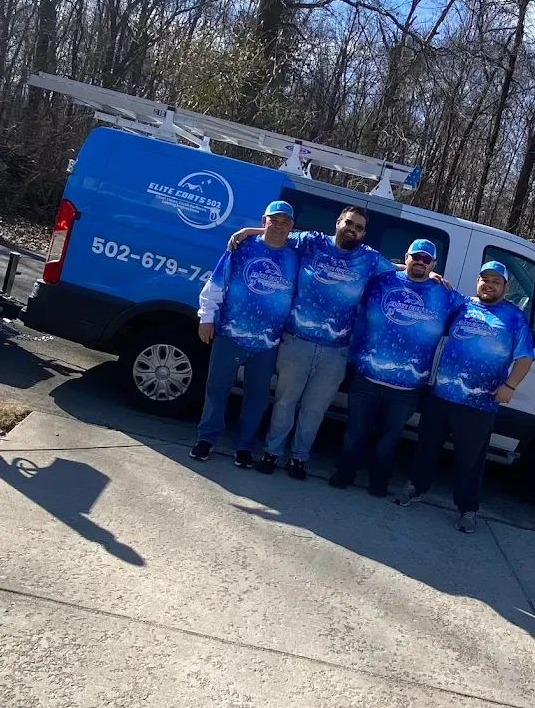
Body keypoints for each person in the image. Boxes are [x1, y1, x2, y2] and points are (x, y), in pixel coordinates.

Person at [228, 206, 397, 480]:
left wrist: (429, 274)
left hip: (336, 351)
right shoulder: (312, 241)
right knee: (284, 402)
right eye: (349, 223)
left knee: (315, 410)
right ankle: (272, 452)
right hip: (297, 342)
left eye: (359, 227)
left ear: (363, 233)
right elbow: (277, 235)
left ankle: (299, 459)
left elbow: (401, 272)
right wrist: (250, 231)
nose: (353, 229)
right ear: (338, 222)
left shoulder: (370, 259)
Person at [396, 260, 535, 532]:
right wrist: (432, 274)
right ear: (478, 281)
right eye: (485, 279)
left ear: (505, 287)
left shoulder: (514, 318)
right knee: (426, 447)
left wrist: (510, 386)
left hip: (479, 405)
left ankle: (467, 509)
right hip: (441, 396)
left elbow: (525, 358)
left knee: (470, 461)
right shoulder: (462, 305)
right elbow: (421, 280)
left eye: (496, 281)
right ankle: (415, 488)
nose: (489, 285)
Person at [330, 240, 465, 497]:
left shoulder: (445, 295)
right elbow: (356, 270)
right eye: (416, 257)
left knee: (388, 440)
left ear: (434, 264)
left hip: (407, 388)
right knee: (355, 432)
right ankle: (344, 472)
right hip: (366, 378)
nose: (421, 263)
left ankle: (378, 481)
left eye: (427, 260)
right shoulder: (383, 281)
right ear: (407, 256)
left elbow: (475, 311)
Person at [190, 200, 298, 468]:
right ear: (264, 222)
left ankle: (244, 446)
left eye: (286, 222)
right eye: (275, 220)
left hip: (267, 342)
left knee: (258, 397)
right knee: (217, 388)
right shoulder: (241, 248)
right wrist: (206, 317)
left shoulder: (296, 256)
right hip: (230, 333)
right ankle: (207, 439)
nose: (280, 227)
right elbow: (217, 282)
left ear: (292, 227)